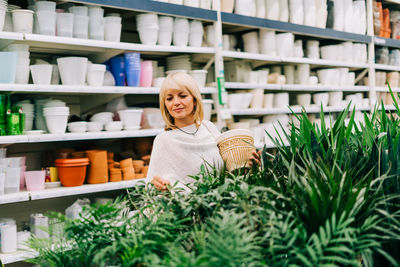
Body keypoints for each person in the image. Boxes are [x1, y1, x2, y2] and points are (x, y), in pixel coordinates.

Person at [147, 71, 260, 191]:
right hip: (185, 207)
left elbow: (229, 172)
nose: (176, 102)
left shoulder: (208, 128)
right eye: (169, 98)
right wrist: (157, 185)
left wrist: (249, 167)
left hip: (219, 205)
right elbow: (150, 186)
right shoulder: (164, 140)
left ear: (195, 99)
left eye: (182, 96)